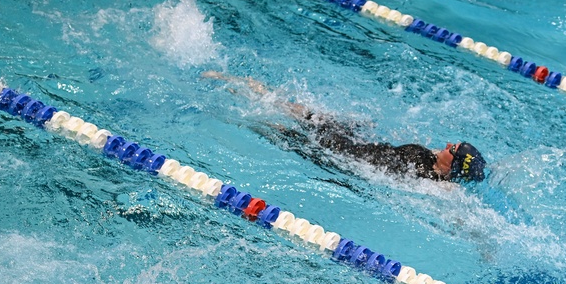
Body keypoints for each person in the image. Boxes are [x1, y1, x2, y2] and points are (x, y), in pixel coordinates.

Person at [202, 71, 487, 183]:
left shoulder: (436, 182)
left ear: (453, 166)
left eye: (454, 149)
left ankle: (238, 106)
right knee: (303, 112)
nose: (449, 143)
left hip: (342, 154)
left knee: (279, 128)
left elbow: (459, 214)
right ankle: (242, 86)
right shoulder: (431, 160)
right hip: (354, 144)